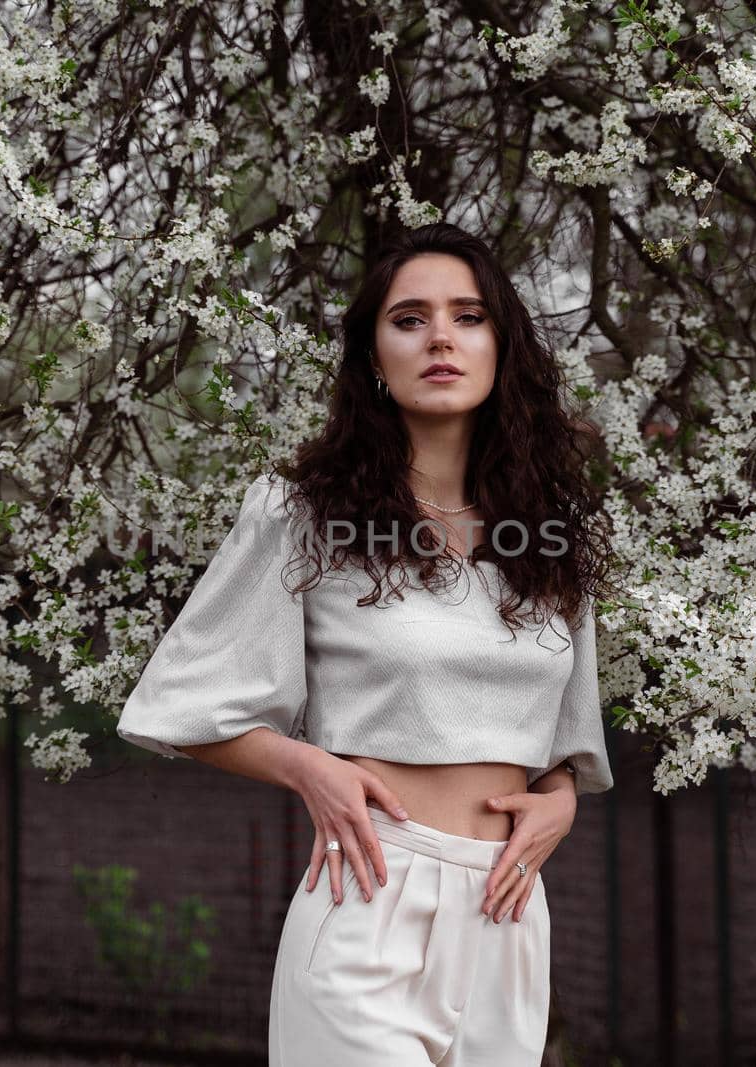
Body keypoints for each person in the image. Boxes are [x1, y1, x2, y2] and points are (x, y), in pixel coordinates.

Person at [116, 221, 615, 1066]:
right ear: (372, 356)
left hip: (509, 913)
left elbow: (565, 739)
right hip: (370, 895)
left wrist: (560, 800)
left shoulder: (549, 535)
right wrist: (309, 765)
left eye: (468, 316)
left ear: (504, 346)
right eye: (410, 318)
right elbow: (182, 705)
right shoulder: (302, 516)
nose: (441, 339)